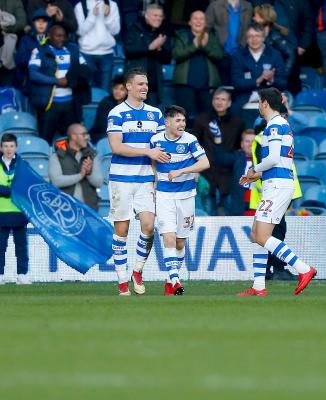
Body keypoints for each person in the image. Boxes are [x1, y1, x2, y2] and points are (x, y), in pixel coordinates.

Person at [237, 87, 317, 297]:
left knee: (262, 236)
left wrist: (254, 170)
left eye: (259, 103)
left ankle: (303, 268)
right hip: (276, 182)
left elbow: (272, 159)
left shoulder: (274, 126)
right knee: (256, 234)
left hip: (278, 186)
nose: (259, 107)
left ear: (264, 103)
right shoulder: (282, 124)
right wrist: (258, 175)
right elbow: (278, 161)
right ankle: (258, 286)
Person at [106, 67, 170, 296]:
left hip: (146, 179)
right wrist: (148, 152)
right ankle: (122, 280)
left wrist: (157, 174)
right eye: (140, 84)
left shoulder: (155, 114)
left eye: (146, 84)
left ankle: (137, 270)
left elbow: (161, 148)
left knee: (149, 226)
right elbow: (117, 147)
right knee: (121, 229)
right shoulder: (117, 113)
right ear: (129, 87)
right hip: (121, 179)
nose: (145, 87)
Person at [150, 105, 210, 295]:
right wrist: (154, 181)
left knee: (180, 243)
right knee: (168, 236)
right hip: (164, 195)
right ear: (167, 123)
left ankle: (170, 281)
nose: (182, 123)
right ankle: (176, 280)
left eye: (183, 120)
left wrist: (182, 171)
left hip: (186, 195)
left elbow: (205, 163)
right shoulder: (156, 140)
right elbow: (152, 162)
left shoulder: (190, 140)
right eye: (178, 120)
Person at [28, 23, 89, 143]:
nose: (61, 39)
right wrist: (56, 81)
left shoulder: (73, 49)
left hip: (70, 104)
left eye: (63, 36)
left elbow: (85, 69)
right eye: (58, 36)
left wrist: (71, 80)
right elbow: (32, 74)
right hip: (49, 104)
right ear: (49, 36)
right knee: (45, 139)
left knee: (71, 141)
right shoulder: (40, 50)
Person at [193, 87, 244, 215]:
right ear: (212, 100)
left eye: (223, 99)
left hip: (229, 179)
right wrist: (196, 171)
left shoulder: (238, 122)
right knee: (207, 218)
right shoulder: (201, 120)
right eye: (216, 98)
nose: (219, 102)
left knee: (228, 218)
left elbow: (239, 148)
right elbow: (194, 146)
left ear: (229, 103)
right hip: (206, 176)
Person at [172, 9, 224, 119]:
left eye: (201, 19)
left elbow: (219, 55)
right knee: (183, 118)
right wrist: (194, 46)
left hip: (207, 86)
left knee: (207, 119)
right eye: (195, 18)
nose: (198, 21)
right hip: (185, 85)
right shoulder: (181, 35)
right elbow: (176, 54)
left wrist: (205, 46)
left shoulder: (211, 37)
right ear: (190, 22)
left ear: (205, 22)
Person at [230, 22, 286, 112]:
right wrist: (257, 80)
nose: (254, 39)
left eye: (257, 36)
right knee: (233, 114)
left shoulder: (274, 55)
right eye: (250, 36)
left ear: (263, 38)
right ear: (246, 39)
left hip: (270, 98)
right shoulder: (238, 56)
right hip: (244, 97)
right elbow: (236, 83)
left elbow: (283, 83)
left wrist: (271, 80)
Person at [124, 4, 172, 106]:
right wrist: (149, 48)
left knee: (150, 119)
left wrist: (160, 49)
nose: (158, 18)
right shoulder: (134, 29)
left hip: (154, 86)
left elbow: (168, 58)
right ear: (146, 15)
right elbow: (128, 50)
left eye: (160, 16)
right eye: (155, 15)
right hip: (136, 84)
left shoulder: (162, 33)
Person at [49, 123, 103, 210]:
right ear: (73, 136)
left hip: (89, 210)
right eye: (84, 134)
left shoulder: (92, 155)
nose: (87, 137)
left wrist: (89, 173)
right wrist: (80, 175)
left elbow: (99, 183)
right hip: (64, 210)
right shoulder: (57, 156)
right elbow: (56, 181)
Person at [0, 134, 30, 285]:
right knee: (0, 247)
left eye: (11, 146)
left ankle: (22, 275)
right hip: (1, 213)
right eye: (5, 146)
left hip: (20, 212)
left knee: (21, 246)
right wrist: (12, 190)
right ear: (1, 148)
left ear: (16, 147)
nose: (8, 149)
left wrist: (6, 190)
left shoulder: (23, 164)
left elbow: (26, 187)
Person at [74, 0, 121, 92]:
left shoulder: (112, 5)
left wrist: (108, 16)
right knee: (86, 90)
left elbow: (116, 31)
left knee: (105, 90)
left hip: (107, 53)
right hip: (86, 53)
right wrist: (92, 16)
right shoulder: (80, 5)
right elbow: (79, 31)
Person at [205, 0, 253, 85]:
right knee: (220, 88)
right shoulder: (215, 5)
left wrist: (243, 46)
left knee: (238, 86)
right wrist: (213, 48)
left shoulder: (248, 6)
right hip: (220, 54)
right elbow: (206, 30)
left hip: (240, 54)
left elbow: (249, 28)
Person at [212, 129, 256, 216]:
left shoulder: (264, 160)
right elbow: (220, 158)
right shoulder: (237, 157)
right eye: (247, 141)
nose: (251, 144)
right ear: (242, 144)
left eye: (253, 141)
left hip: (257, 205)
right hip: (238, 206)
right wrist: (218, 140)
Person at [253, 3, 296, 80]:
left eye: (256, 16)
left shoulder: (275, 37)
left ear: (263, 19)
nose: (254, 18)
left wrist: (282, 74)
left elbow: (290, 55)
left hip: (272, 79)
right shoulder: (256, 34)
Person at [14, 8, 50, 92]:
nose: (41, 24)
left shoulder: (51, 40)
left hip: (48, 81)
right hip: (29, 82)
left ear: (48, 24)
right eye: (38, 21)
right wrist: (35, 57)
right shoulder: (25, 39)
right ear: (33, 23)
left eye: (44, 21)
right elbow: (20, 60)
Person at [89, 74, 127, 144]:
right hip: (103, 134)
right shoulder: (105, 102)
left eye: (122, 89)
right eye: (115, 88)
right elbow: (102, 124)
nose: (117, 92)